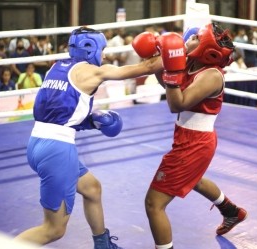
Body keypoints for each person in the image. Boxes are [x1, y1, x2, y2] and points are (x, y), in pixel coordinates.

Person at [14, 26, 160, 249]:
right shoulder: (93, 72)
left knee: (92, 188)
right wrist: (178, 51)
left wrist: (93, 121)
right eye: (102, 49)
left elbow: (59, 113)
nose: (103, 55)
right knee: (53, 230)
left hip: (37, 143)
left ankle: (102, 244)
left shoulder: (57, 67)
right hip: (57, 150)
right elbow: (147, 67)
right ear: (90, 48)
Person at [132, 23, 248, 249]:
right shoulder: (191, 62)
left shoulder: (212, 76)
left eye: (196, 37)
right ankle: (231, 211)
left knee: (153, 204)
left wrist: (172, 72)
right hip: (187, 137)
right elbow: (169, 86)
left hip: (195, 144)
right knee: (192, 179)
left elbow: (177, 104)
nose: (189, 37)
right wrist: (160, 64)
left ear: (206, 48)